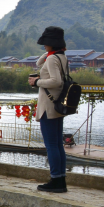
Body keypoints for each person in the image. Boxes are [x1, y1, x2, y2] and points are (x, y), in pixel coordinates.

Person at [30, 26, 69, 193]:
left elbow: (56, 81)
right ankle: (60, 179)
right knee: (58, 144)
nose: (44, 45)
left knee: (51, 145)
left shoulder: (53, 59)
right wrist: (49, 52)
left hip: (48, 106)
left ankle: (55, 180)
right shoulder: (60, 57)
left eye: (46, 43)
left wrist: (37, 82)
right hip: (57, 106)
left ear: (52, 42)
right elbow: (38, 63)